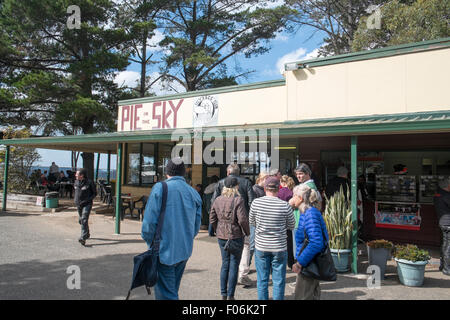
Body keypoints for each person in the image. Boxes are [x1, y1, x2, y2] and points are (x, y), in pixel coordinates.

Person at [142, 158, 202, 300]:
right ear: (183, 173)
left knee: (167, 294)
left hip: (164, 250)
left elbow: (148, 225)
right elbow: (196, 226)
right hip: (184, 249)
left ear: (167, 172)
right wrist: (187, 238)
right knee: (172, 289)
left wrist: (151, 243)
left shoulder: (160, 188)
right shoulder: (193, 193)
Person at [249, 176, 295, 300]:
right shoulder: (285, 205)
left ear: (265, 188)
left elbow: (252, 222)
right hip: (279, 246)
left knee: (262, 280)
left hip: (261, 246)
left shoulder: (256, 203)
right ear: (278, 189)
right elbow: (291, 225)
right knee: (279, 280)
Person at [212, 163, 255, 287]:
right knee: (245, 247)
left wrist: (216, 226)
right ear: (238, 173)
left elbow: (213, 202)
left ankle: (227, 288)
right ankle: (242, 274)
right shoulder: (246, 183)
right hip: (243, 221)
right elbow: (251, 201)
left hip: (224, 225)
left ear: (227, 172)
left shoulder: (220, 183)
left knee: (226, 259)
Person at [210, 176, 250, 300]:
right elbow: (242, 219)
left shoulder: (217, 200)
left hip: (222, 236)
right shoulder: (238, 200)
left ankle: (223, 294)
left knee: (225, 264)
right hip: (235, 235)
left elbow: (212, 218)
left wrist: (217, 229)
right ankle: (230, 295)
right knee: (234, 265)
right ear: (236, 186)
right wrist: (247, 232)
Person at [291, 183, 329, 300]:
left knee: (303, 296)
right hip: (309, 262)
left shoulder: (310, 214)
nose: (292, 198)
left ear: (301, 198)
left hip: (309, 264)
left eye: (294, 195)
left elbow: (316, 242)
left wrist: (300, 263)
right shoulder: (306, 212)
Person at [74, 168, 97, 246]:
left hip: (87, 204)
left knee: (84, 219)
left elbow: (94, 193)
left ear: (82, 175)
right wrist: (76, 201)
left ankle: (83, 238)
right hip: (78, 204)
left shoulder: (89, 182)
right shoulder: (76, 182)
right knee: (81, 220)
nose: (75, 175)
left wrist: (88, 200)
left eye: (77, 174)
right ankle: (86, 233)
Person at [434, 178, 450, 276]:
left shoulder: (438, 194)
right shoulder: (446, 196)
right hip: (448, 223)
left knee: (445, 244)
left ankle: (442, 265)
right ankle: (447, 268)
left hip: (442, 222)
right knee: (448, 246)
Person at [279, 175, 295, 269]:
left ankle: (281, 261)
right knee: (289, 242)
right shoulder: (291, 192)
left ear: (282, 183)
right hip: (289, 218)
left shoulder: (278, 193)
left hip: (279, 220)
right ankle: (291, 262)